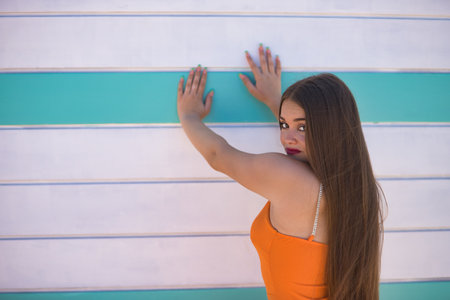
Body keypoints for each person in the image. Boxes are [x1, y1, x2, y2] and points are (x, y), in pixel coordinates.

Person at [176, 44, 384, 300]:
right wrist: (277, 101)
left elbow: (218, 156)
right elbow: (308, 137)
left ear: (330, 129)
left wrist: (189, 117)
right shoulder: (359, 191)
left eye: (302, 127)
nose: (286, 138)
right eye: (284, 124)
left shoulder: (288, 177)